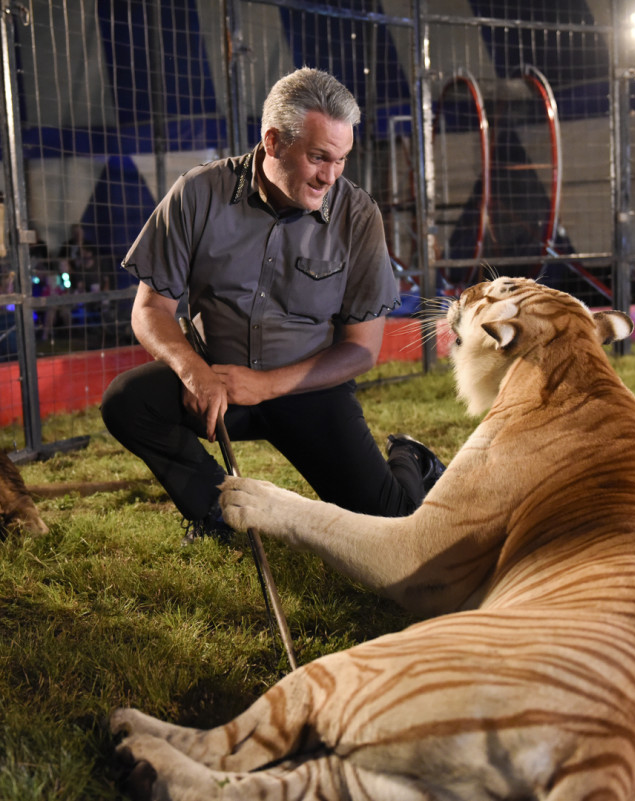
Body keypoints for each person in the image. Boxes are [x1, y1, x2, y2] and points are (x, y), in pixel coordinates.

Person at [100, 67, 444, 544]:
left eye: (341, 159)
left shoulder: (358, 215)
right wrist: (193, 370)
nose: (330, 176)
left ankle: (412, 459)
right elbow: (150, 308)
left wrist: (264, 385)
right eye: (319, 157)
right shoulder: (199, 193)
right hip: (216, 385)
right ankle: (216, 512)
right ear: (274, 142)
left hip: (308, 390)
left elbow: (362, 350)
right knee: (127, 402)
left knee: (392, 528)